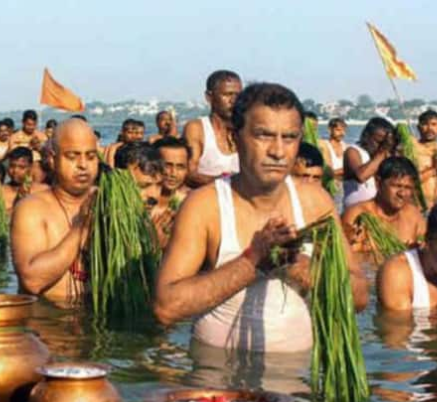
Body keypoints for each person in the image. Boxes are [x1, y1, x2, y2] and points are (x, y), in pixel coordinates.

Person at [154, 83, 368, 352]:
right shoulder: (206, 205)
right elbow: (166, 307)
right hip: (218, 377)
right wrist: (254, 260)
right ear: (235, 138)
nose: (278, 151)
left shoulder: (314, 201)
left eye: (289, 138)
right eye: (264, 135)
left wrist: (300, 268)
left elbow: (359, 297)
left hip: (298, 377)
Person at [11, 118, 99, 303]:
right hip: (48, 323)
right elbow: (32, 281)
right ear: (52, 159)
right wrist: (81, 227)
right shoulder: (31, 208)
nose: (83, 165)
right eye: (72, 156)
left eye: (91, 156)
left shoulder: (108, 202)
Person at [342, 157, 426, 250]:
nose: (402, 193)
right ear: (378, 183)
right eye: (396, 186)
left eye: (407, 188)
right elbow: (346, 258)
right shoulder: (357, 216)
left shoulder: (413, 215)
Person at [182, 70, 242, 187]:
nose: (233, 101)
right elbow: (189, 173)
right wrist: (226, 181)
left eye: (238, 95)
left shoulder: (246, 129)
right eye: (227, 95)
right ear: (209, 97)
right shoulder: (197, 129)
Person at [343, 117, 396, 208]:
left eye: (383, 142)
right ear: (367, 136)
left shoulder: (384, 155)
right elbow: (361, 176)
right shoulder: (353, 151)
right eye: (378, 142)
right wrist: (383, 150)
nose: (379, 146)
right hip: (356, 209)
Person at [414, 110, 437, 207]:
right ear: (418, 128)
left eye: (434, 124)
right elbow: (410, 180)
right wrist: (433, 169)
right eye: (425, 124)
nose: (429, 128)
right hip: (421, 206)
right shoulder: (412, 149)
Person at [1, 146, 48, 214]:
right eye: (12, 166)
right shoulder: (0, 192)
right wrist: (18, 203)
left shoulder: (43, 190)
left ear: (31, 167)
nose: (15, 171)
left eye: (21, 167)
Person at [154, 136, 191, 207]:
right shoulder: (137, 199)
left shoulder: (191, 202)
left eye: (180, 167)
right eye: (167, 166)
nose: (173, 173)